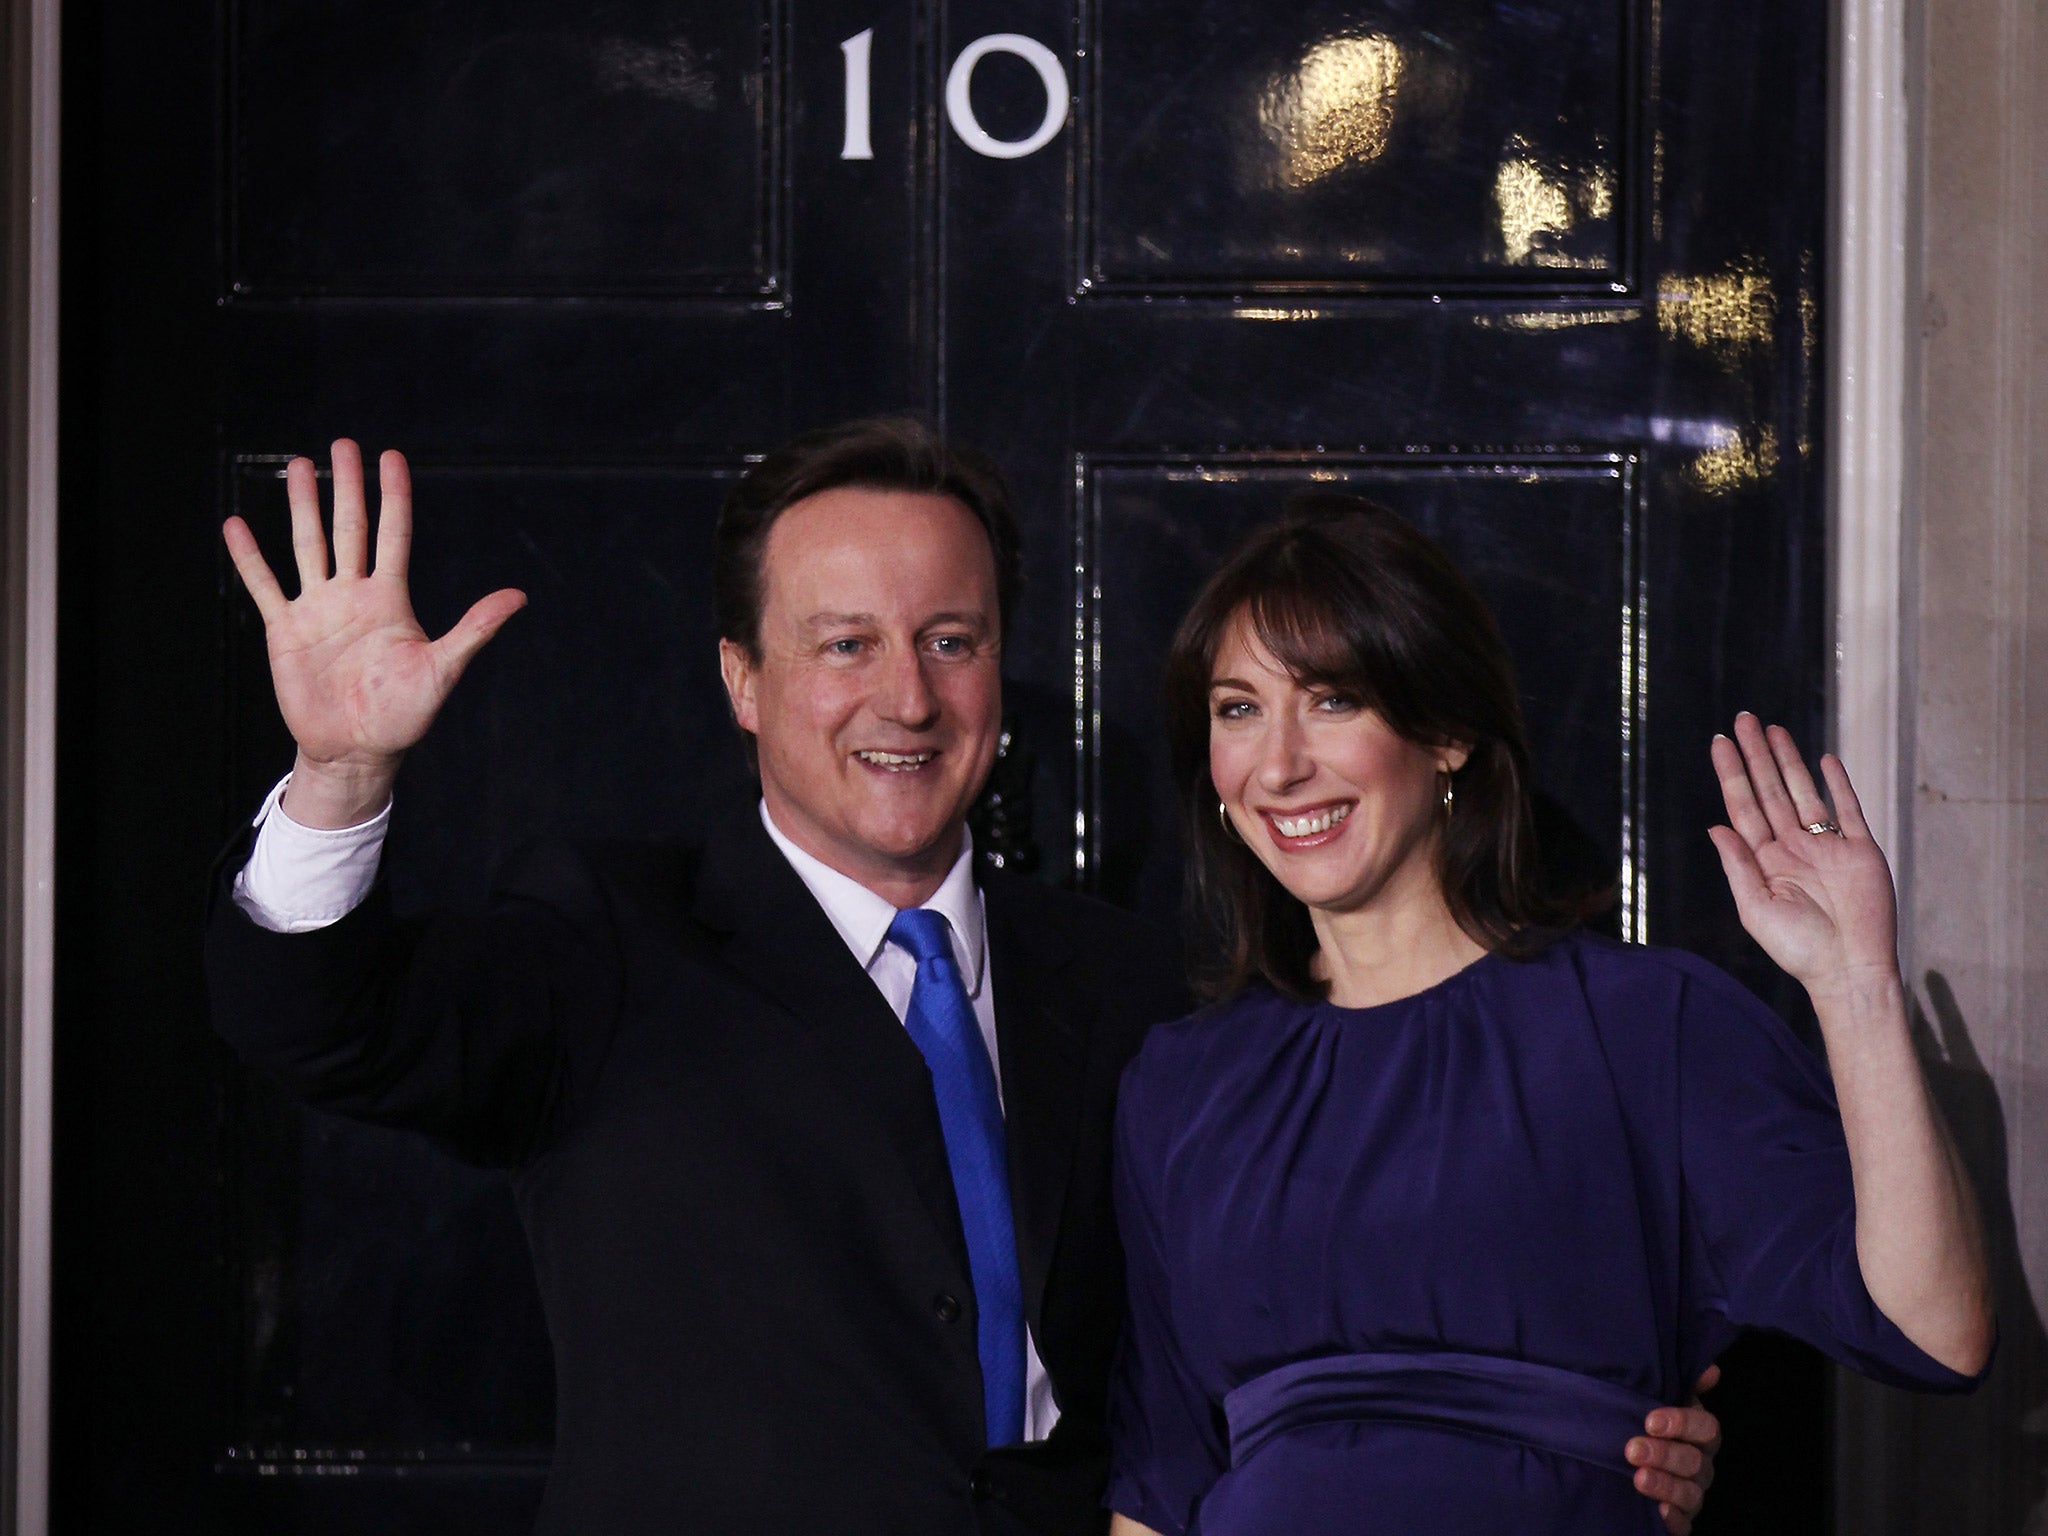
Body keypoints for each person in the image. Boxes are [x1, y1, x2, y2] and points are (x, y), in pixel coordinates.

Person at [205, 422, 1723, 1535]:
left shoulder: (1133, 980)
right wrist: (340, 776)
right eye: (844, 645)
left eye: (951, 640)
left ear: (1002, 665)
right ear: (741, 680)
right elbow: (322, 1025)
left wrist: (1609, 1430)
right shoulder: (606, 941)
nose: (908, 699)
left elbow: (1317, 1288)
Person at [1103, 497, 1995, 1536]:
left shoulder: (1641, 1028)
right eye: (1236, 709)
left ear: (1444, 733)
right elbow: (1162, 1478)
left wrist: (1853, 988)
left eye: (1332, 700)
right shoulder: (1181, 1084)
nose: (1278, 764)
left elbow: (1931, 1333)